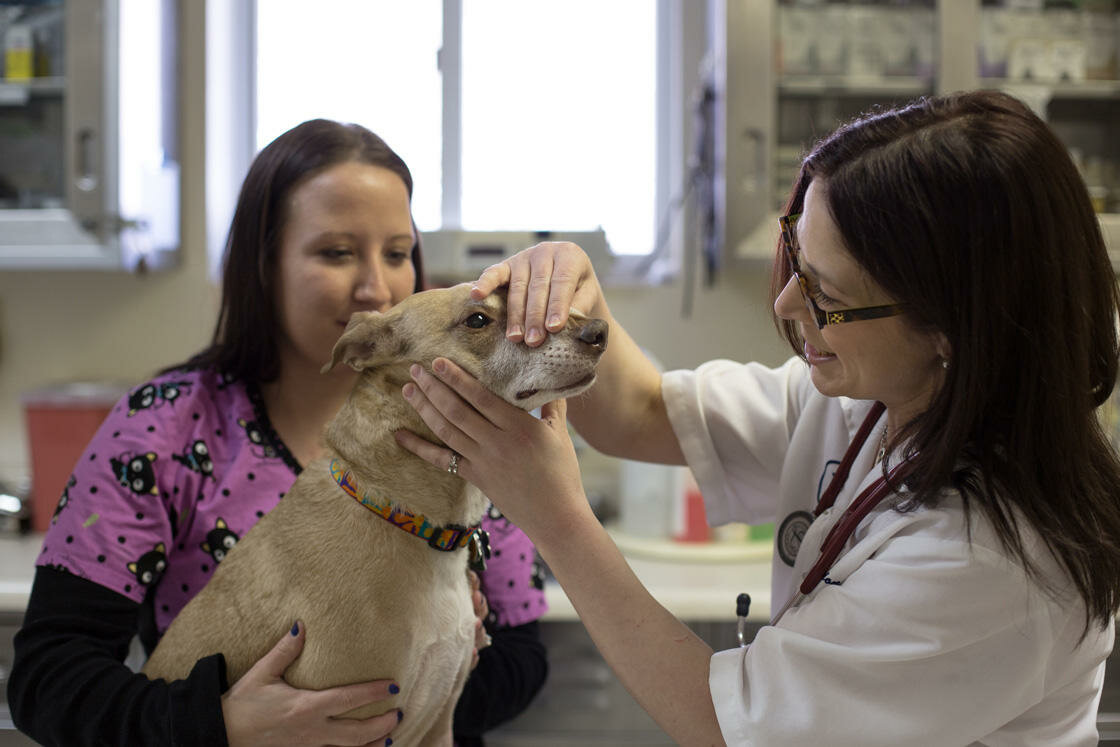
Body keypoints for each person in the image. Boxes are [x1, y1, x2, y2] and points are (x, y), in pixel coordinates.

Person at [395, 89, 1120, 745]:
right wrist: (575, 291)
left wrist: (554, 516)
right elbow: (640, 413)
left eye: (825, 293)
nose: (785, 306)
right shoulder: (876, 396)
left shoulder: (1000, 558)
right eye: (795, 259)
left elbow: (729, 726)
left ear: (951, 332)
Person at [8, 119, 549, 747]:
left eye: (397, 253)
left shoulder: (473, 424)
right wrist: (219, 724)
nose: (375, 285)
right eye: (336, 253)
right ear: (265, 262)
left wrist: (438, 658)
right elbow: (48, 680)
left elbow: (525, 657)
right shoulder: (165, 429)